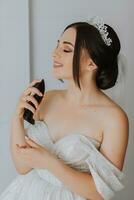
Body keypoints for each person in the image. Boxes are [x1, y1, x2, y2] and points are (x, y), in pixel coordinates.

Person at [0, 16, 129, 200]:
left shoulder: (114, 119)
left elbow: (101, 193)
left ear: (91, 63)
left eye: (66, 49)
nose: (54, 53)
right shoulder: (48, 98)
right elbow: (22, 167)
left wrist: (50, 163)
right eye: (57, 45)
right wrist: (17, 118)